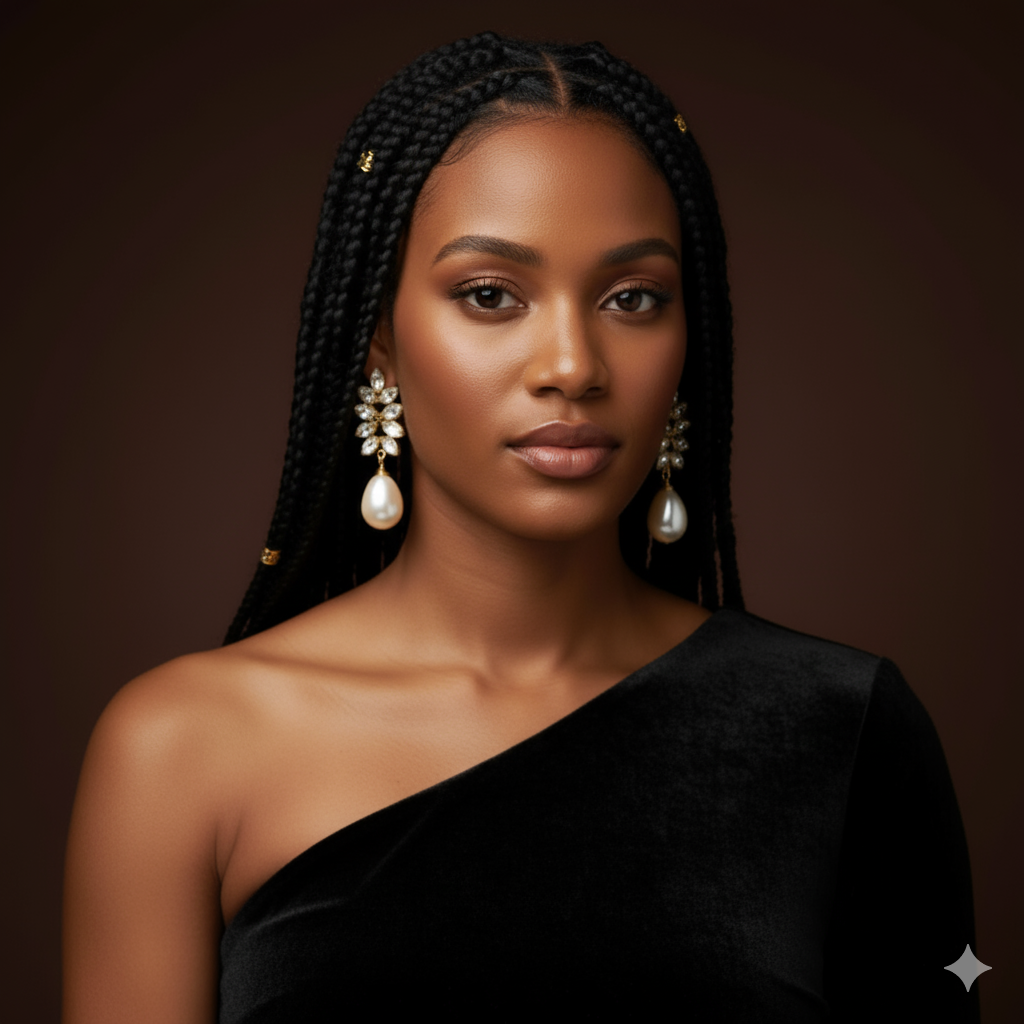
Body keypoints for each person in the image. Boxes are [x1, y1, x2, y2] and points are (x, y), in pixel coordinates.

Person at [62, 32, 979, 1023]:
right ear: (380, 342)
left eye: (633, 298)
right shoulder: (181, 747)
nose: (572, 363)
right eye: (490, 295)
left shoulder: (841, 727)